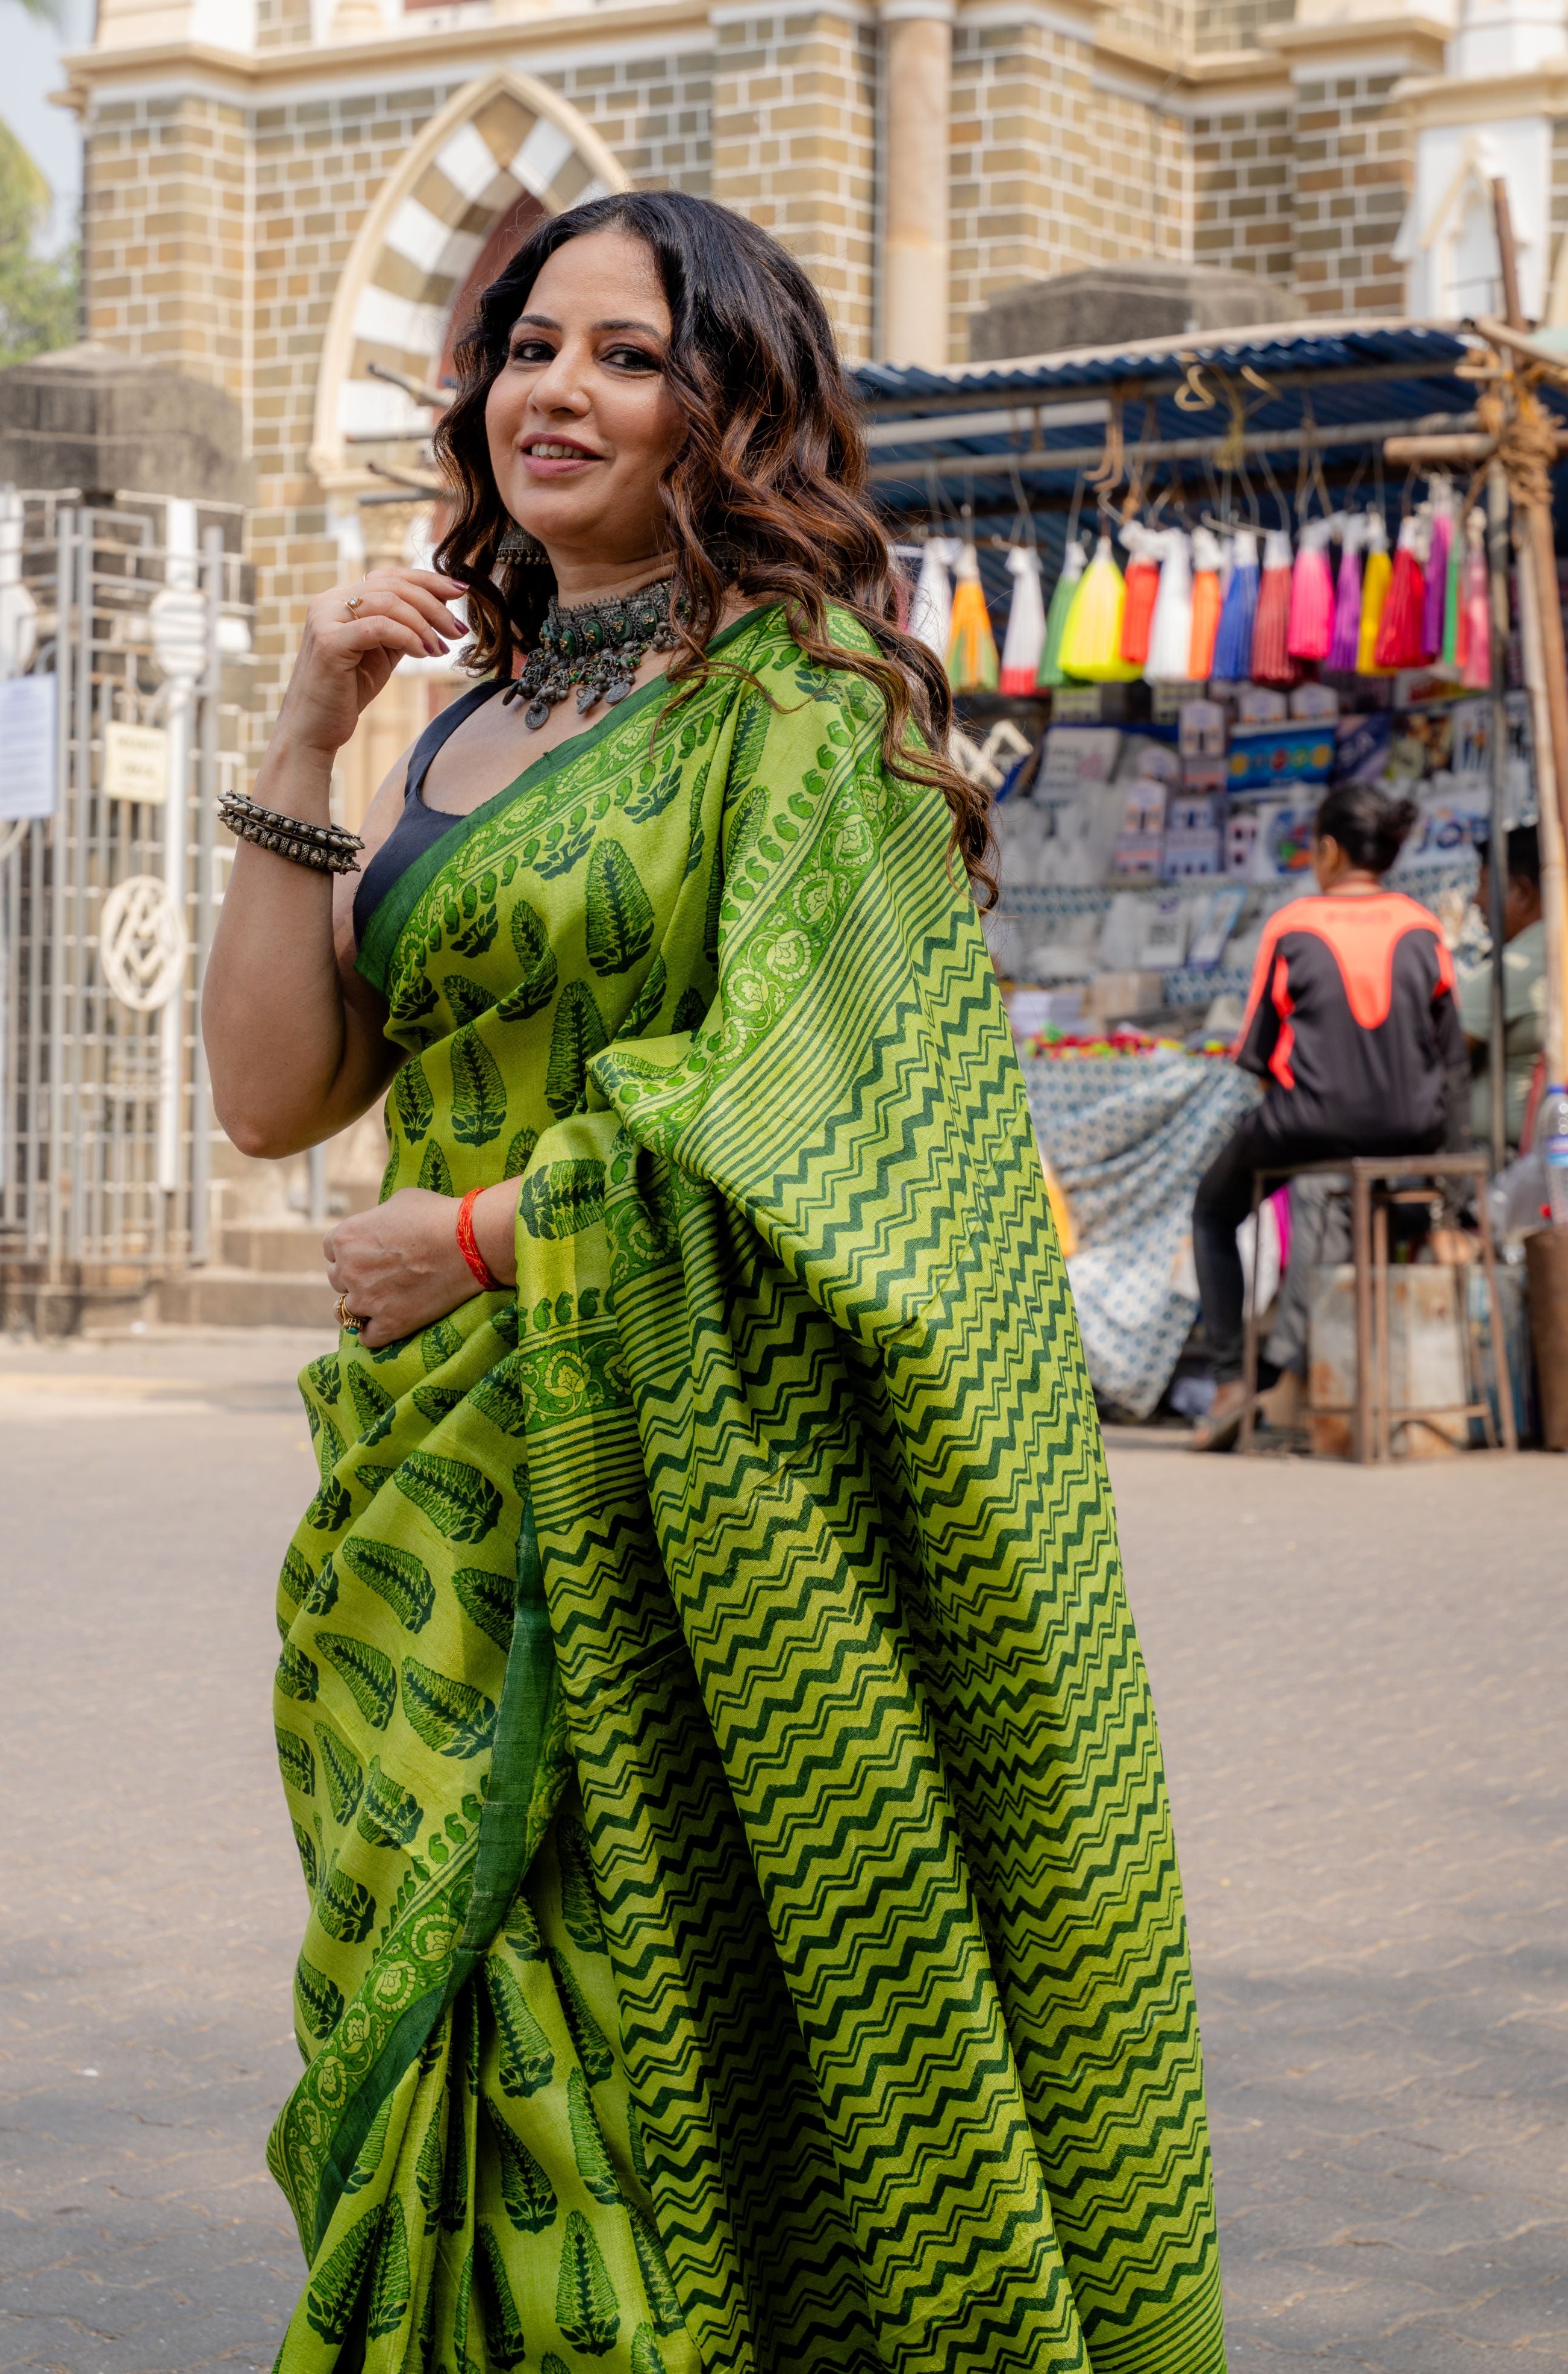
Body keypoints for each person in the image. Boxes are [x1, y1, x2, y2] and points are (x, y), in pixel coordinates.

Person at [205, 190, 1225, 2374]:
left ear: (724, 413)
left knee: (632, 2075)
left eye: (626, 356)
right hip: (434, 1517)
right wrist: (300, 736)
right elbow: (277, 1097)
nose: (553, 392)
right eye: (524, 346)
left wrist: (484, 1234)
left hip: (683, 1512)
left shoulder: (797, 706)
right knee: (457, 2042)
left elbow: (853, 1124)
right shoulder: (455, 736)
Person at [1189, 781, 1466, 1449]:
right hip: (1414, 1129)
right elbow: (1451, 1055)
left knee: (1212, 1210)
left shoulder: (1292, 924)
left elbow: (1254, 1054)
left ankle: (1230, 1381)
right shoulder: (1424, 927)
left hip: (1307, 1123)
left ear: (1332, 850)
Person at [1456, 823, 1547, 1153]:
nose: (1477, 901)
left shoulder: (1510, 971)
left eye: (1484, 886)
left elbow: (1433, 1064)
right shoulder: (1549, 954)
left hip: (1500, 1159)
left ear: (1523, 893)